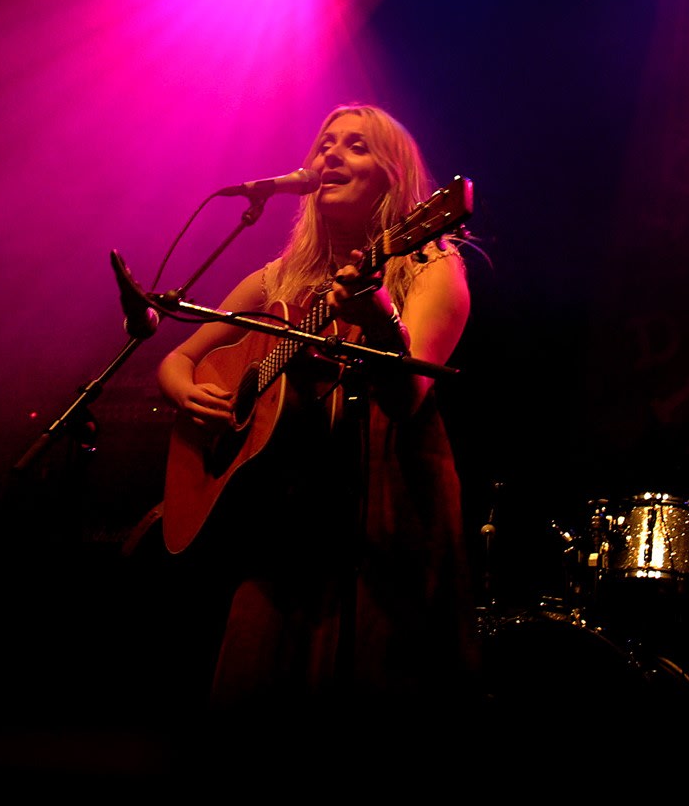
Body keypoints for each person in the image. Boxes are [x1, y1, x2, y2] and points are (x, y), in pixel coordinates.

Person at [156, 103, 477, 728]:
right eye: (325, 144)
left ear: (392, 177)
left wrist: (378, 313)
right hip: (281, 531)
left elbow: (409, 395)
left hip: (382, 518)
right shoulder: (276, 279)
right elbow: (180, 357)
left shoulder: (433, 264)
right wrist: (189, 393)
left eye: (355, 147)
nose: (330, 155)